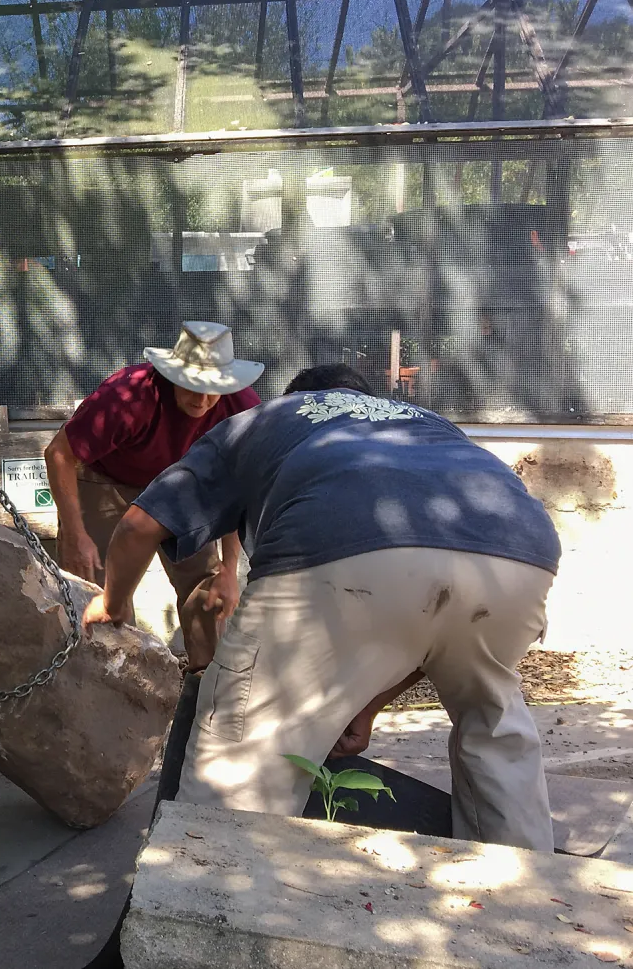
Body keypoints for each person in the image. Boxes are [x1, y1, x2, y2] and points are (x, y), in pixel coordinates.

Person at [83, 363, 561, 852]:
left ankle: (202, 901)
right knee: (494, 724)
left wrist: (112, 601)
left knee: (244, 750)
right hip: (521, 555)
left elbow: (141, 525)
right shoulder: (424, 422)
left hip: (341, 549)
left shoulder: (264, 419)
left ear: (295, 398)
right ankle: (528, 896)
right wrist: (369, 704)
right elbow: (433, 622)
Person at [44, 321, 263, 636]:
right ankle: (110, 670)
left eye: (212, 390)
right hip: (108, 479)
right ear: (172, 375)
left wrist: (229, 569)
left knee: (206, 583)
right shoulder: (128, 395)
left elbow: (237, 486)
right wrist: (77, 535)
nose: (201, 401)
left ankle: (204, 678)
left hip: (184, 484)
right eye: (191, 385)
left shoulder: (241, 408)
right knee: (93, 580)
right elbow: (59, 454)